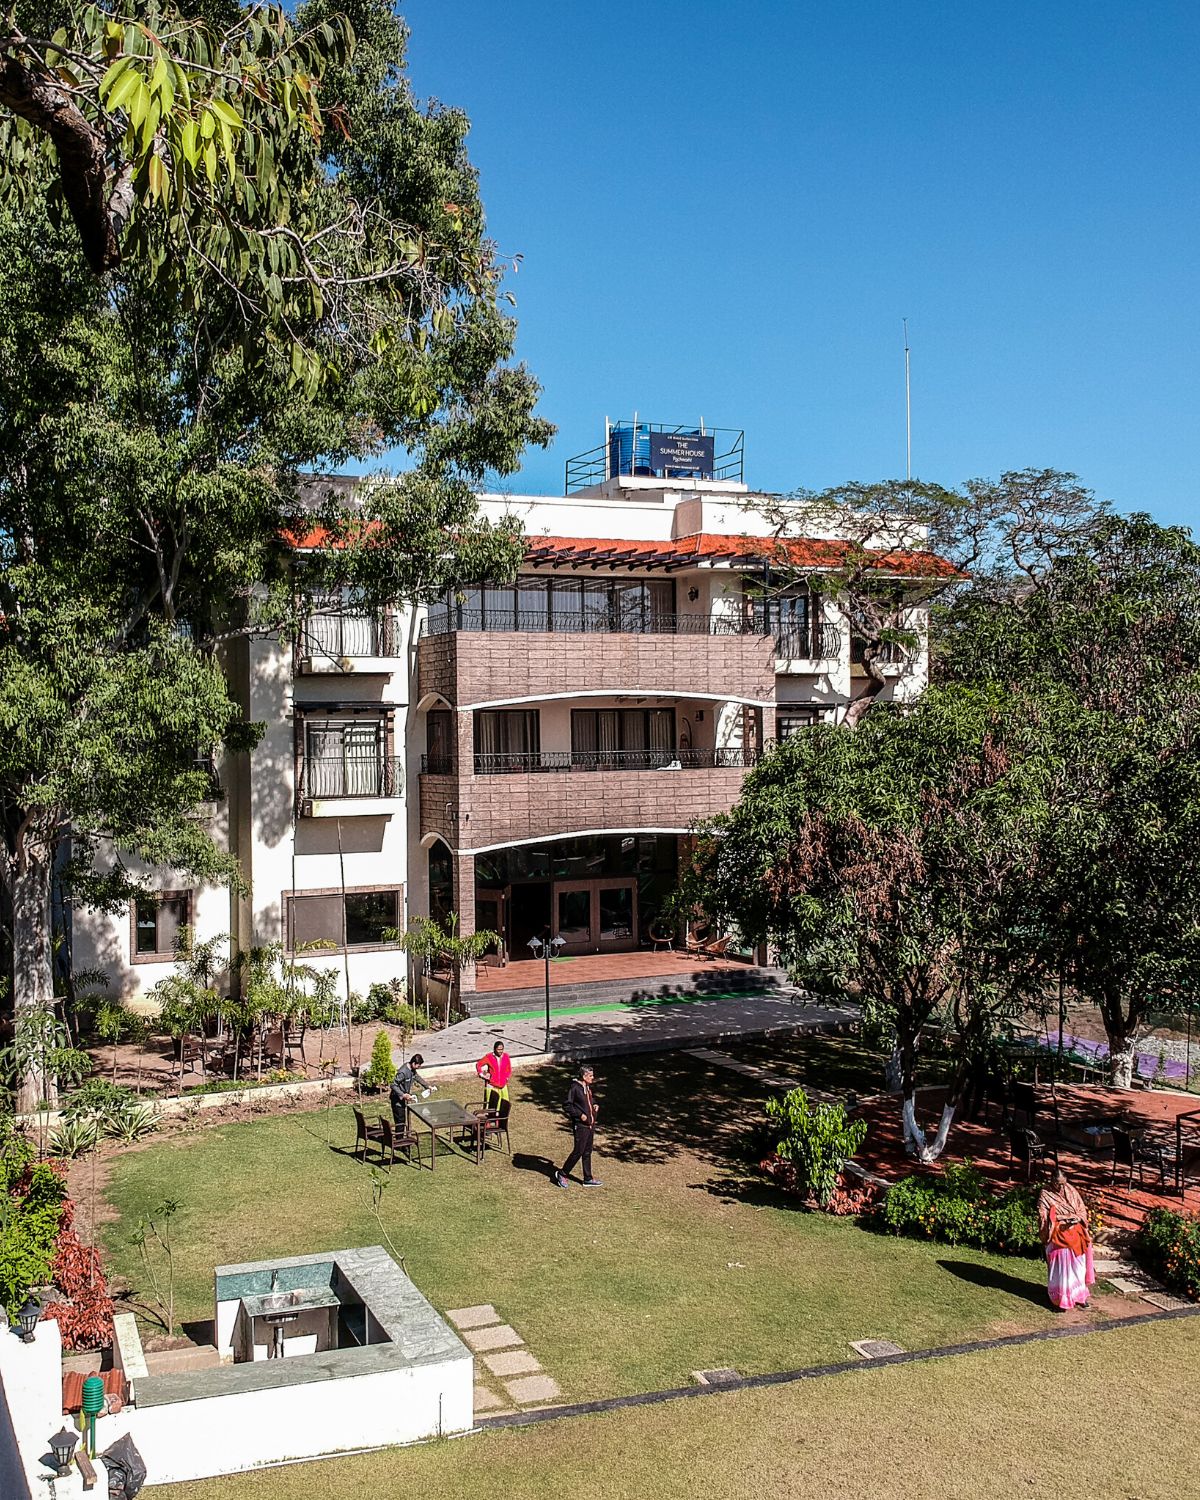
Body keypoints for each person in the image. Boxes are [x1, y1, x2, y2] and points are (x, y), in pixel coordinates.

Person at [1037, 1168, 1095, 1311]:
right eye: (1057, 1183)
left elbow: (1081, 1209)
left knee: (1079, 1268)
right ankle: (1061, 1298)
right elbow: (1043, 1216)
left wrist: (1077, 1218)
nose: (1060, 1187)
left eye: (1063, 1183)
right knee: (1063, 1269)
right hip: (1058, 1237)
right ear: (1052, 1181)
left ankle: (1080, 1296)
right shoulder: (1045, 1194)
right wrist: (1059, 1220)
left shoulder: (1071, 1190)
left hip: (1076, 1235)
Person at [555, 1064, 602, 1188]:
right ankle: (562, 1173)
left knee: (587, 1151)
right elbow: (567, 1105)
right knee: (578, 1151)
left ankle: (588, 1178)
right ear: (584, 1076)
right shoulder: (575, 1088)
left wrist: (595, 1104)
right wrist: (580, 1115)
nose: (593, 1077)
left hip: (590, 1125)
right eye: (591, 1075)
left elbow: (589, 1101)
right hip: (581, 1125)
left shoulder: (587, 1087)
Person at [390, 1053, 435, 1128]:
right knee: (400, 1122)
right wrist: (403, 1095)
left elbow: (417, 1077)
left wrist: (427, 1086)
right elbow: (393, 1085)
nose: (419, 1067)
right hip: (397, 1099)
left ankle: (402, 1137)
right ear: (414, 1063)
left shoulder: (412, 1069)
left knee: (403, 1120)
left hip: (404, 1097)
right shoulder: (403, 1072)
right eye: (418, 1066)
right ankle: (399, 1139)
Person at [476, 1040, 512, 1119]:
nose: (500, 1051)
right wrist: (482, 1074)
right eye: (498, 1049)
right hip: (492, 1086)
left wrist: (506, 1078)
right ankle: (488, 1123)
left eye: (502, 1049)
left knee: (503, 1106)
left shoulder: (506, 1056)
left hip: (503, 1086)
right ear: (494, 1049)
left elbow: (509, 1069)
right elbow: (479, 1064)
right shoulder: (489, 1057)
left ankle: (499, 1122)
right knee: (491, 1106)